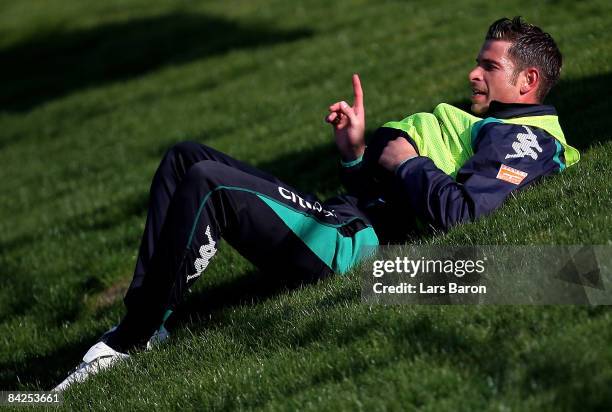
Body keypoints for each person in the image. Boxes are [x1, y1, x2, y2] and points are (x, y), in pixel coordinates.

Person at [54, 16, 579, 390]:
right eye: (477, 62)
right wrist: (355, 156)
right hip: (344, 220)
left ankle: (130, 340)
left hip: (356, 251)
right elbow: (397, 202)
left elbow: (465, 216)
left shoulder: (523, 139)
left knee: (211, 182)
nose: (474, 74)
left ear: (527, 81)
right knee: (185, 158)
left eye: (489, 66)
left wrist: (404, 163)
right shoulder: (492, 125)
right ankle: (149, 322)